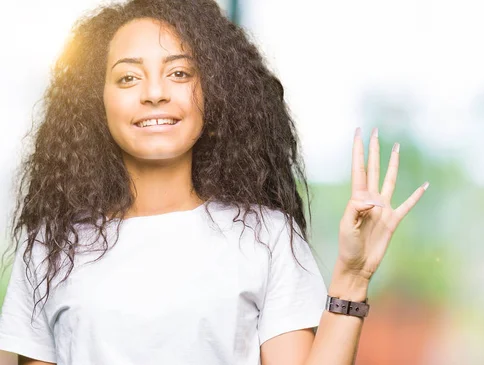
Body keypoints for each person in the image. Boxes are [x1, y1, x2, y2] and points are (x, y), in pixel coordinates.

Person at [0, 0, 428, 364]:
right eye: (128, 77)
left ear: (213, 92)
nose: (154, 93)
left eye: (180, 74)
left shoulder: (266, 236)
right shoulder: (49, 248)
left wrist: (352, 276)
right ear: (98, 101)